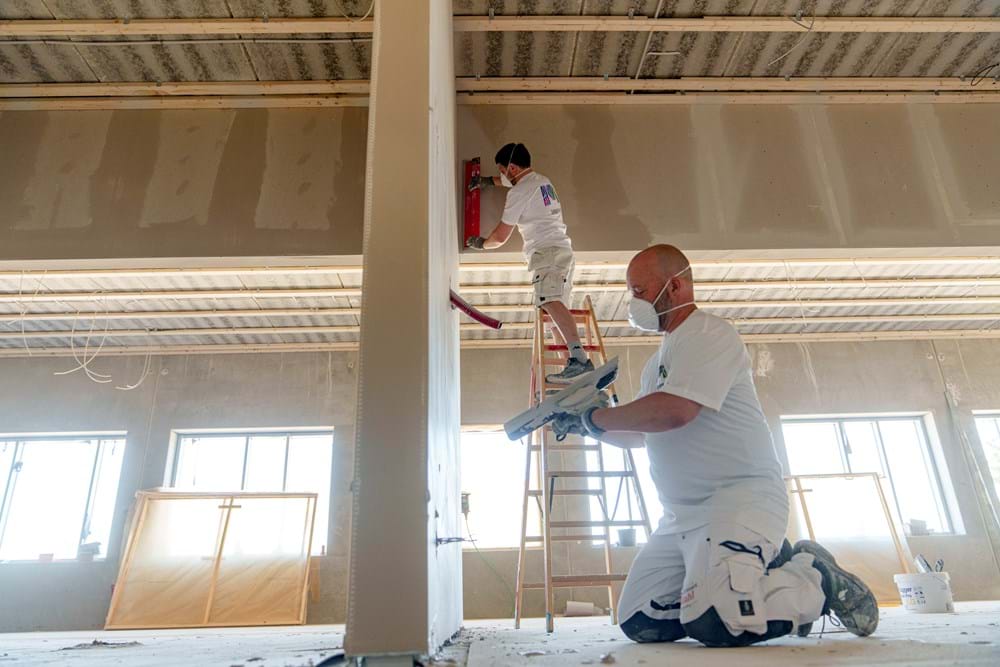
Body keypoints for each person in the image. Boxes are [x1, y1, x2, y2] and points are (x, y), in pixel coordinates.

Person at [551, 244, 879, 647]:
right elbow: (642, 433)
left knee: (716, 620)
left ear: (675, 286)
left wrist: (595, 417)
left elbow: (676, 412)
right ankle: (751, 578)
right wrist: (586, 426)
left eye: (640, 291)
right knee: (641, 618)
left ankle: (816, 578)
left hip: (737, 502)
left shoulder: (709, 334)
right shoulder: (657, 364)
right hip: (680, 518)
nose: (633, 302)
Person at [466, 143, 592, 384]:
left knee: (550, 302)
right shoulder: (541, 181)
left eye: (503, 170)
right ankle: (574, 370)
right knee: (553, 314)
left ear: (512, 168)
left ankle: (580, 360)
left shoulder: (520, 191)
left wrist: (481, 244)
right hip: (560, 252)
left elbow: (500, 237)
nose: (503, 175)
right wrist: (487, 182)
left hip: (547, 254)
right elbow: (509, 183)